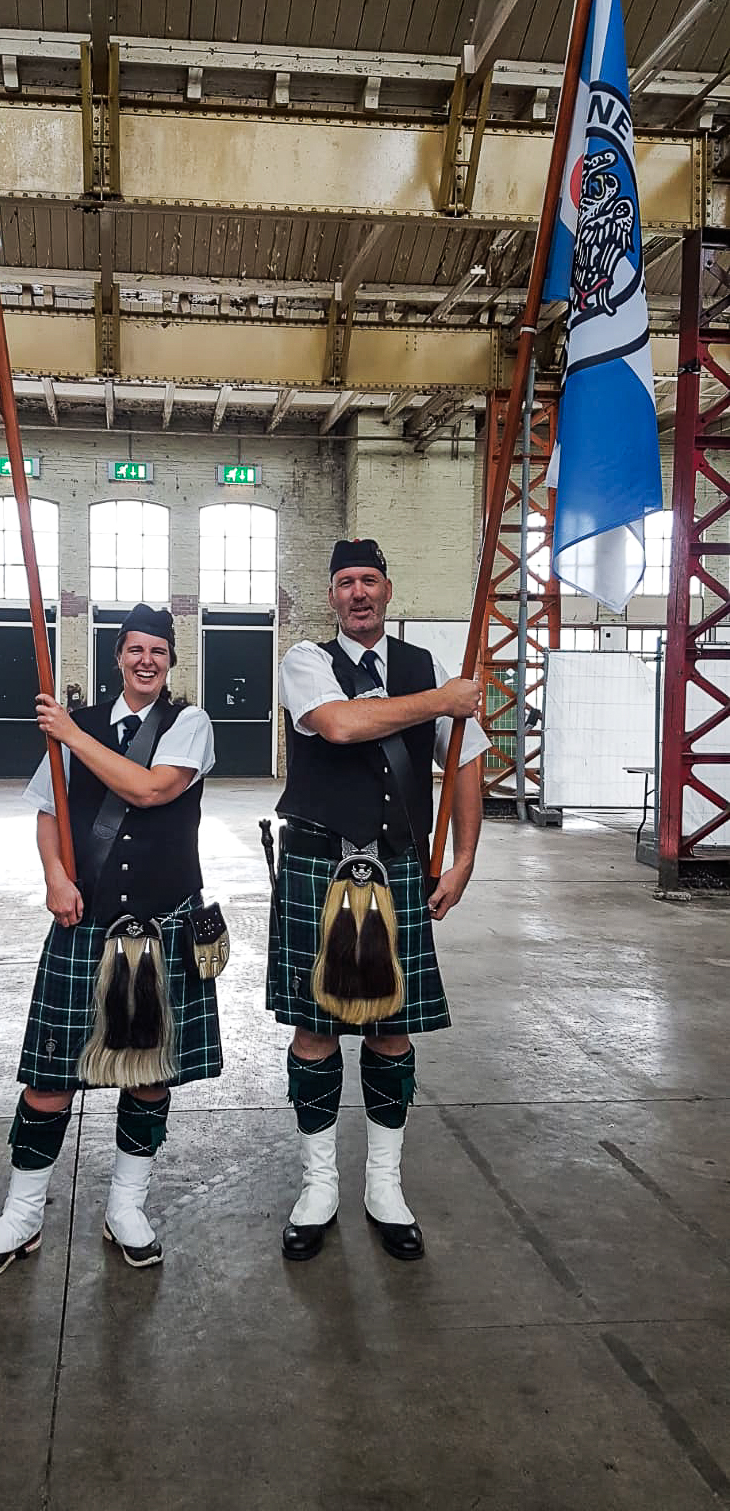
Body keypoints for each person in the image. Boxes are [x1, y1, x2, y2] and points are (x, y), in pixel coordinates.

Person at [0, 603, 222, 1281]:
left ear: (169, 660)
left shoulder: (188, 724)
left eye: (158, 652)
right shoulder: (72, 728)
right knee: (50, 1080)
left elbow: (149, 789)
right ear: (118, 658)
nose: (146, 661)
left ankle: (126, 1209)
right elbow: (48, 814)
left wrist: (70, 735)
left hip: (162, 925)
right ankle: (21, 1215)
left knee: (150, 1080)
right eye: (135, 650)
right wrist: (54, 876)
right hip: (85, 925)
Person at [267, 539, 489, 1263]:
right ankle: (318, 1186)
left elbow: (467, 761)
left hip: (396, 871)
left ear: (388, 590)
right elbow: (339, 725)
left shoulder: (423, 668)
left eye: (369, 580)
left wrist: (463, 859)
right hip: (317, 868)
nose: (358, 593)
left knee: (392, 1033)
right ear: (331, 596)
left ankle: (385, 1188)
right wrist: (441, 700)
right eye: (344, 583)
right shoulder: (306, 661)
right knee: (315, 1033)